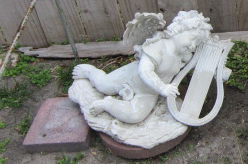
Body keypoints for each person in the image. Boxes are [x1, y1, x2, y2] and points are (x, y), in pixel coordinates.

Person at [72, 10, 212, 123]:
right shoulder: (158, 45)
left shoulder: (184, 56)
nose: (192, 46)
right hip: (130, 77)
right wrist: (162, 88)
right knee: (103, 85)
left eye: (196, 44)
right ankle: (90, 71)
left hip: (149, 92)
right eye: (192, 39)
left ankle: (107, 104)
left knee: (135, 116)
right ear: (179, 29)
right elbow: (145, 71)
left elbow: (200, 65)